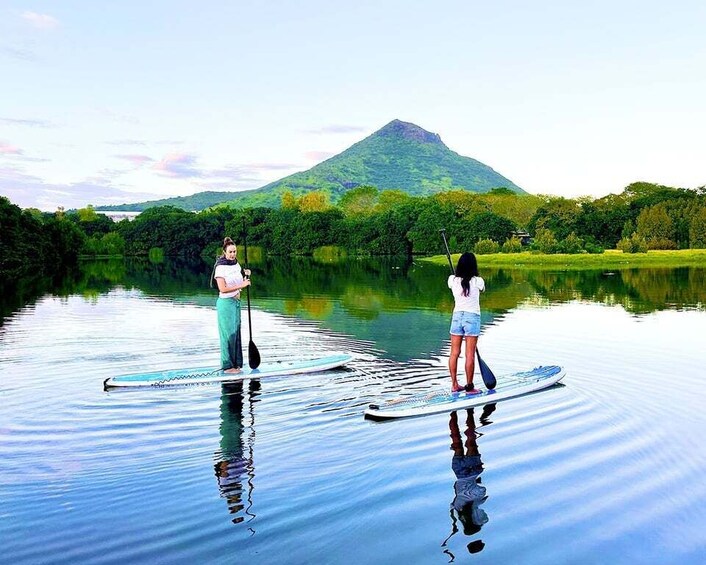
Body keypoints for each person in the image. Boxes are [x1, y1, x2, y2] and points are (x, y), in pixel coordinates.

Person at [447, 252, 485, 394]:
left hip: (457, 317)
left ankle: (455, 385)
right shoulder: (478, 281)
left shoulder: (452, 280)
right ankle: (469, 387)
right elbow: (482, 290)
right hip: (472, 317)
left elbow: (453, 283)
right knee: (470, 354)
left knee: (454, 353)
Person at [213, 237, 251, 373]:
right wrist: (242, 284)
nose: (233, 254)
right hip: (226, 304)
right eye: (230, 252)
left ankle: (236, 364)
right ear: (224, 252)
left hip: (236, 303)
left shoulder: (236, 264)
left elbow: (238, 280)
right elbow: (222, 288)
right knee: (228, 335)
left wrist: (245, 275)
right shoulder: (220, 267)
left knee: (236, 334)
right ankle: (227, 366)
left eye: (234, 251)